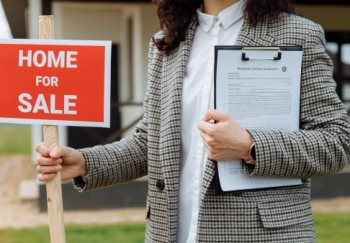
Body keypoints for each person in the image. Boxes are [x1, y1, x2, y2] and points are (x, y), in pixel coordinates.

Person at [36, 0, 350, 242]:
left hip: (262, 234)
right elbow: (151, 142)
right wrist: (84, 162)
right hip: (171, 232)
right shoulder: (166, 43)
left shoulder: (298, 34)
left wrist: (250, 146)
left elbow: (337, 141)